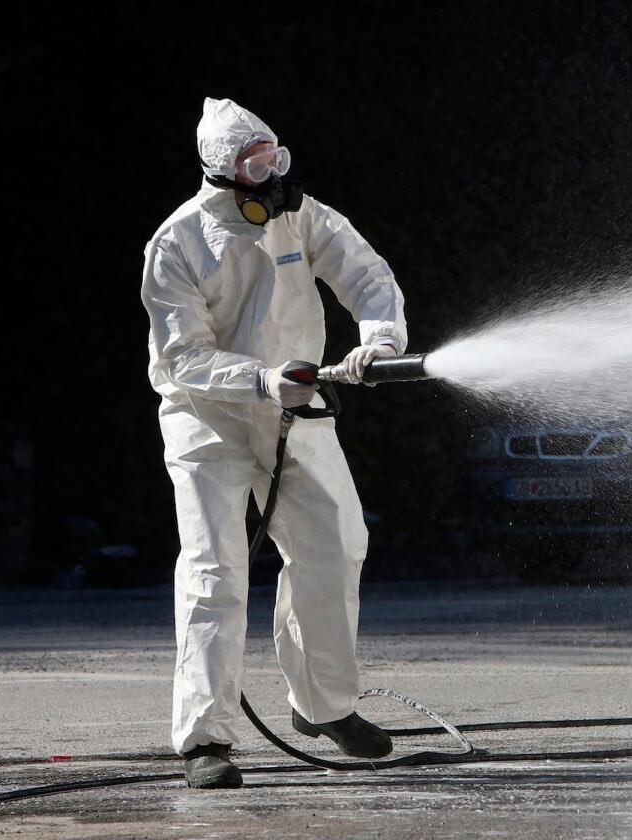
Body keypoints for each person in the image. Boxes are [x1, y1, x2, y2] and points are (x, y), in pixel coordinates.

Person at [141, 97, 408, 789]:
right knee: (215, 569)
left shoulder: (301, 214)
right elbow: (181, 359)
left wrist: (378, 339)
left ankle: (322, 705)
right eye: (252, 164)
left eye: (273, 158)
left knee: (337, 541)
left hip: (295, 403)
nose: (269, 175)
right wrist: (260, 378)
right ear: (222, 173)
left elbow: (365, 274)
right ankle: (205, 737)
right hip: (208, 418)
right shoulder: (177, 244)